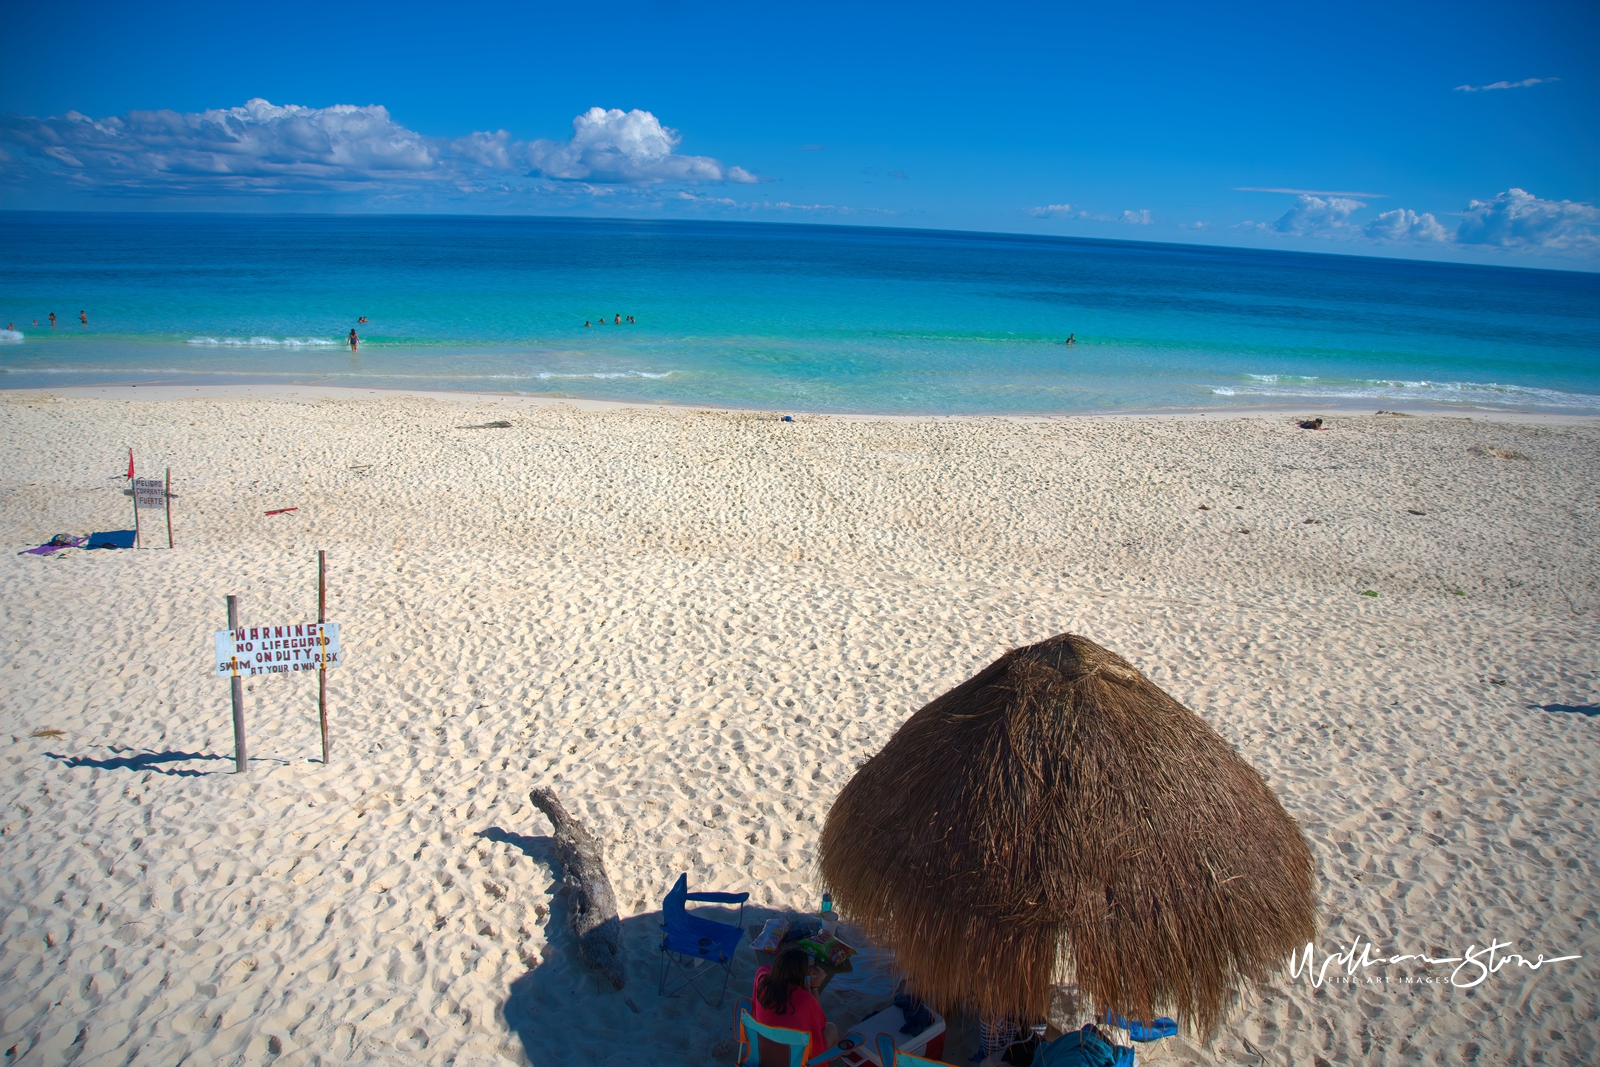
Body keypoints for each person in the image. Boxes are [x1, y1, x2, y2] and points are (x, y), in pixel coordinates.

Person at [752, 947, 839, 1053]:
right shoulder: (806, 1000)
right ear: (800, 976)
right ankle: (825, 1061)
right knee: (831, 1028)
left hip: (764, 1051)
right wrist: (813, 988)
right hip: (795, 1059)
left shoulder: (762, 980)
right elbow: (820, 1025)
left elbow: (765, 969)